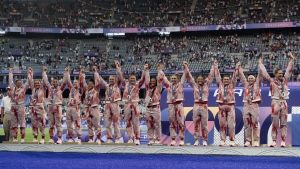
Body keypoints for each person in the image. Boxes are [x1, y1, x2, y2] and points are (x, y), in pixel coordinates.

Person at [259, 52, 294, 147]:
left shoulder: (285, 80)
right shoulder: (272, 81)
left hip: (284, 103)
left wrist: (292, 60)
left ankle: (283, 141)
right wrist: (261, 64)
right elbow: (265, 74)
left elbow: (289, 70)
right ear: (275, 74)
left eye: (282, 73)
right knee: (274, 123)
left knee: (284, 123)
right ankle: (274, 141)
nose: (281, 75)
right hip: (275, 103)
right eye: (279, 73)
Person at [116, 61, 146, 145]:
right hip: (127, 104)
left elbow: (143, 79)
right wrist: (118, 68)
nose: (132, 80)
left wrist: (144, 70)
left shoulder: (137, 85)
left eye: (134, 79)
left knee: (136, 123)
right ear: (129, 79)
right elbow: (120, 77)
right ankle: (130, 138)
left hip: (135, 104)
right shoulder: (125, 84)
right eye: (131, 78)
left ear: (135, 79)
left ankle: (137, 138)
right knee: (128, 122)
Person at [186, 61, 214, 146]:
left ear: (204, 80)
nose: (200, 80)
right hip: (196, 105)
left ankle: (205, 140)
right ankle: (197, 140)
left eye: (201, 79)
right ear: (197, 81)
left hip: (204, 105)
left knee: (204, 124)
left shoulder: (206, 85)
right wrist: (187, 68)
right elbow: (190, 77)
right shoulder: (194, 86)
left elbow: (211, 77)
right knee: (196, 124)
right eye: (199, 80)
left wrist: (213, 67)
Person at [94, 63, 121, 144]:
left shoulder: (117, 85)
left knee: (116, 123)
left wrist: (118, 67)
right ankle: (109, 138)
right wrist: (96, 71)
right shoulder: (107, 86)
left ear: (115, 80)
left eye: (112, 79)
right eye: (110, 79)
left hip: (114, 104)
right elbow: (101, 80)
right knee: (108, 123)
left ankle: (117, 139)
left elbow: (119, 76)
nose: (111, 80)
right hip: (107, 104)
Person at [162, 62, 188, 146]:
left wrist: (186, 67)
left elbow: (184, 76)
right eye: (172, 78)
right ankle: (173, 139)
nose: (173, 80)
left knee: (180, 122)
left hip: (178, 104)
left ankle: (181, 139)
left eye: (174, 78)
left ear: (177, 79)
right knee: (172, 122)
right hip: (171, 105)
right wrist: (160, 70)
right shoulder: (169, 85)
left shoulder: (180, 85)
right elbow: (164, 78)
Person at [238, 61, 263, 147]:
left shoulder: (257, 84)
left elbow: (260, 74)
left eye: (252, 78)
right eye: (249, 79)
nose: (250, 80)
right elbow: (241, 76)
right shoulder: (245, 85)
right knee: (247, 124)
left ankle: (256, 141)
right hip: (246, 105)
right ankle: (248, 141)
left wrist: (260, 64)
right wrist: (239, 67)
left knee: (255, 123)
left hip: (254, 105)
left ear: (255, 79)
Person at [215, 61, 239, 147]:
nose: (226, 80)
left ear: (229, 80)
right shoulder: (220, 85)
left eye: (227, 79)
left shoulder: (232, 85)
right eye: (224, 79)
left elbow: (235, 77)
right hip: (221, 106)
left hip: (230, 106)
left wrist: (237, 67)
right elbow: (217, 76)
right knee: (222, 124)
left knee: (231, 124)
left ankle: (232, 140)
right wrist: (216, 66)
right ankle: (222, 140)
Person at [42, 66, 68, 144]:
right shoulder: (50, 88)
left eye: (56, 82)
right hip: (50, 106)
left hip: (57, 106)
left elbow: (64, 81)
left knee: (58, 123)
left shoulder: (61, 89)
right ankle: (51, 138)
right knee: (51, 124)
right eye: (54, 82)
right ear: (53, 82)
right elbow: (46, 81)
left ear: (58, 82)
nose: (55, 83)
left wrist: (66, 72)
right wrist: (44, 72)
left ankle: (60, 138)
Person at [9, 67, 32, 143]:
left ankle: (22, 138)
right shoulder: (13, 88)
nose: (19, 83)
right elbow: (10, 81)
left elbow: (28, 82)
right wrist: (10, 72)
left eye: (20, 83)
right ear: (15, 83)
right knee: (14, 122)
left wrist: (29, 73)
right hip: (13, 106)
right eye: (17, 83)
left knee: (22, 122)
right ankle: (15, 138)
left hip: (21, 105)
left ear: (21, 83)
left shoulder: (23, 88)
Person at [79, 68, 101, 144]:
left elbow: (98, 80)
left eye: (91, 83)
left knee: (96, 124)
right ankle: (91, 138)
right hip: (88, 109)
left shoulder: (96, 89)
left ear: (94, 84)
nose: (89, 84)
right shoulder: (86, 90)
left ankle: (98, 139)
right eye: (89, 83)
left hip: (94, 108)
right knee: (89, 124)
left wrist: (95, 71)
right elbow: (82, 82)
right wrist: (82, 73)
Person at [144, 63, 165, 145]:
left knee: (157, 124)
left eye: (154, 81)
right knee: (149, 125)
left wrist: (159, 70)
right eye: (151, 81)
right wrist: (146, 70)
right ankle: (151, 139)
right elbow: (146, 79)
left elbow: (160, 79)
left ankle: (158, 139)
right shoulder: (148, 88)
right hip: (148, 108)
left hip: (155, 107)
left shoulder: (158, 88)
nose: (152, 82)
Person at [29, 69, 47, 144]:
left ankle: (42, 138)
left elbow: (45, 80)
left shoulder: (42, 89)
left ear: (40, 84)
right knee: (34, 123)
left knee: (42, 123)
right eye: (35, 84)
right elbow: (30, 80)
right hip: (33, 107)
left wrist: (44, 72)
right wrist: (30, 72)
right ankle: (35, 137)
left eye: (38, 83)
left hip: (40, 107)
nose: (36, 85)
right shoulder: (33, 90)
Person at [65, 67, 82, 144]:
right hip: (69, 108)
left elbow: (82, 82)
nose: (74, 83)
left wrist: (81, 73)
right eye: (74, 82)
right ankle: (71, 137)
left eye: (76, 82)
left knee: (77, 123)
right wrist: (67, 72)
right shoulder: (71, 89)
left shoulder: (80, 90)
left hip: (75, 107)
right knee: (69, 123)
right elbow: (68, 81)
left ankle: (79, 137)